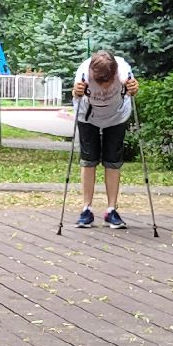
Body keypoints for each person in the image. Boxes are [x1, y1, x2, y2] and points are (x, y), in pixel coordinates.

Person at [69, 50, 141, 229]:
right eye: (99, 82)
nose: (104, 87)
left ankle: (111, 210)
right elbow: (75, 92)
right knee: (88, 160)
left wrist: (133, 87)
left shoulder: (122, 68)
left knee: (113, 161)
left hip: (116, 117)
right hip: (88, 116)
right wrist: (76, 92)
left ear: (114, 73)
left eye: (107, 82)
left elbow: (132, 85)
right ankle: (86, 209)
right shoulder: (84, 71)